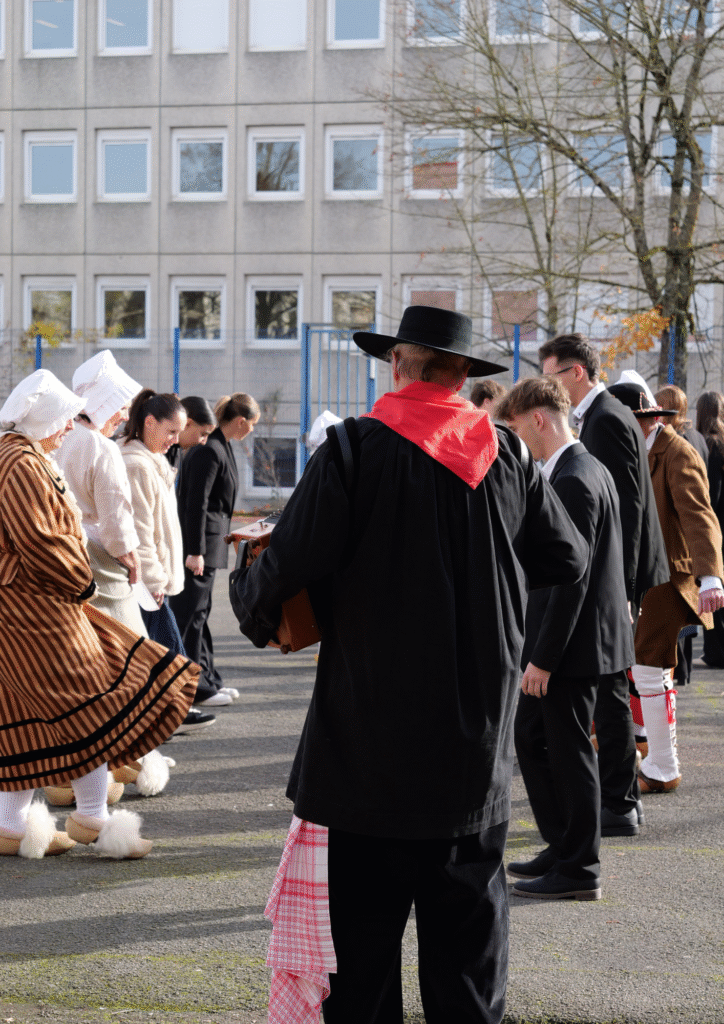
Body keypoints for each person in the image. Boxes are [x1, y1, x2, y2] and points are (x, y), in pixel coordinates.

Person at [230, 306, 588, 1023]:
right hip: (473, 753)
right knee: (468, 970)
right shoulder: (508, 455)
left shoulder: (351, 450)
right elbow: (567, 557)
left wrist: (251, 597)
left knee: (361, 970)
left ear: (397, 364)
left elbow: (286, 566)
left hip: (367, 753)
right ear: (461, 375)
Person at [0, 370, 198, 859]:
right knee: (92, 701)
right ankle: (92, 817)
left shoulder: (22, 455)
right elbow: (41, 539)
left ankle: (14, 824)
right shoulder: (20, 461)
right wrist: (80, 578)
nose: (70, 427)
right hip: (40, 606)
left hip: (29, 604)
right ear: (45, 419)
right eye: (64, 418)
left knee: (27, 713)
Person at [497, 377, 634, 900]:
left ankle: (579, 867)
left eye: (515, 429)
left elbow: (570, 579)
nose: (515, 441)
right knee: (533, 738)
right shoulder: (582, 469)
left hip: (572, 648)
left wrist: (544, 659)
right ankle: (563, 845)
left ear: (538, 419)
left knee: (568, 750)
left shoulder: (574, 478)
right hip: (580, 641)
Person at [538, 336, 669, 826]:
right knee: (613, 691)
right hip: (615, 577)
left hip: (614, 579)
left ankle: (619, 801)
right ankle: (620, 799)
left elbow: (624, 509)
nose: (548, 387)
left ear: (575, 373)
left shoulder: (605, 418)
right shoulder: (606, 414)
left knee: (612, 695)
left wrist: (625, 589)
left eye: (550, 376)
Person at [608, 377, 724, 793]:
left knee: (648, 669)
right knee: (649, 670)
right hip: (645, 575)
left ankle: (662, 764)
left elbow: (699, 515)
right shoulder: (637, 446)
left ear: (642, 419)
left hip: (669, 577)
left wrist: (711, 576)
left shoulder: (676, 451)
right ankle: (654, 754)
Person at [119, 390, 214, 735]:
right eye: (171, 431)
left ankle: (166, 715)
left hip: (150, 578)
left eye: (179, 431)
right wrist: (154, 580)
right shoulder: (137, 464)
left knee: (160, 652)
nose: (176, 439)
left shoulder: (149, 460)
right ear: (149, 422)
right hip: (146, 580)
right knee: (164, 652)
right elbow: (140, 531)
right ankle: (169, 714)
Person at [171, 392, 260, 707]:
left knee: (201, 612)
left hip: (210, 542)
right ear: (241, 421)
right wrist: (195, 550)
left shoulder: (220, 446)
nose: (251, 430)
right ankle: (194, 688)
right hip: (200, 545)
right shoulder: (210, 449)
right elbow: (196, 504)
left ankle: (207, 678)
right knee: (190, 616)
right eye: (252, 424)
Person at [655, 384, 709, 686]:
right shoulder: (696, 438)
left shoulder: (678, 446)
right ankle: (682, 672)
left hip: (680, 542)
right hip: (687, 543)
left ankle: (679, 674)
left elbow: (695, 507)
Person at [695, 391, 724, 667]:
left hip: (716, 525)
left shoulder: (707, 445)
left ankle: (715, 650)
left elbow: (710, 496)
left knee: (712, 588)